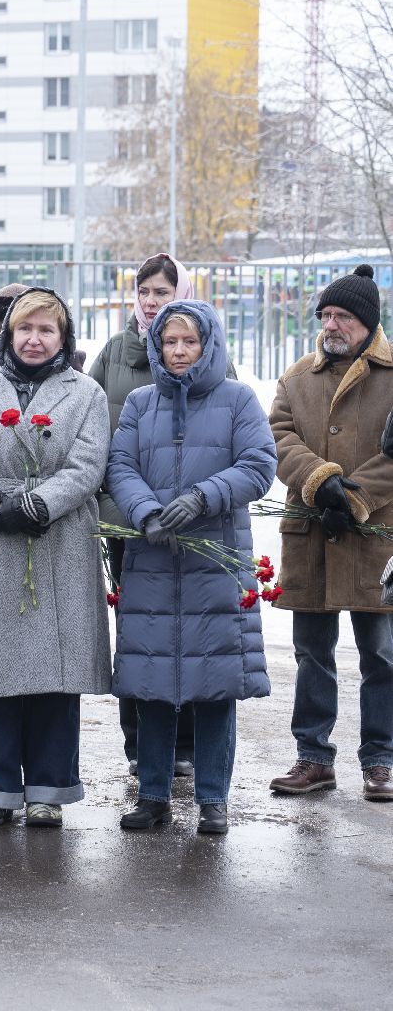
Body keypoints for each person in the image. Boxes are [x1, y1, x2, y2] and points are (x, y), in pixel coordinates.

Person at [0, 287, 111, 829]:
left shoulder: (86, 394)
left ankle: (48, 789)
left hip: (58, 539)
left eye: (46, 330)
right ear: (8, 334)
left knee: (55, 676)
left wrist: (40, 502)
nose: (34, 340)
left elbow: (88, 467)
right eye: (24, 329)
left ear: (64, 338)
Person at [107, 301, 277, 834]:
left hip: (214, 560)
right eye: (169, 343)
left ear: (208, 344)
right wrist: (145, 510)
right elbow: (120, 465)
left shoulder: (238, 399)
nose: (179, 352)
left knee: (215, 685)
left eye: (189, 342)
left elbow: (259, 464)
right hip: (154, 559)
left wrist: (204, 497)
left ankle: (212, 799)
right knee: (153, 680)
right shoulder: (139, 402)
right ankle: (153, 794)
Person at [268, 264, 393, 802]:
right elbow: (277, 436)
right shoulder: (297, 377)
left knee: (382, 656)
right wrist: (321, 484)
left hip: (376, 539)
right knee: (311, 654)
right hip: (313, 535)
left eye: (342, 315)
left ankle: (382, 760)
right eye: (325, 315)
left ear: (368, 323)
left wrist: (356, 496)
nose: (331, 324)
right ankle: (313, 757)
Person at [90, 253, 209, 776]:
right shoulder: (115, 351)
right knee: (137, 627)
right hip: (127, 518)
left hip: (190, 519)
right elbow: (93, 427)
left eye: (162, 291)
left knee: (188, 625)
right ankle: (138, 741)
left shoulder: (204, 353)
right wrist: (123, 506)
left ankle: (184, 741)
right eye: (144, 292)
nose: (151, 301)